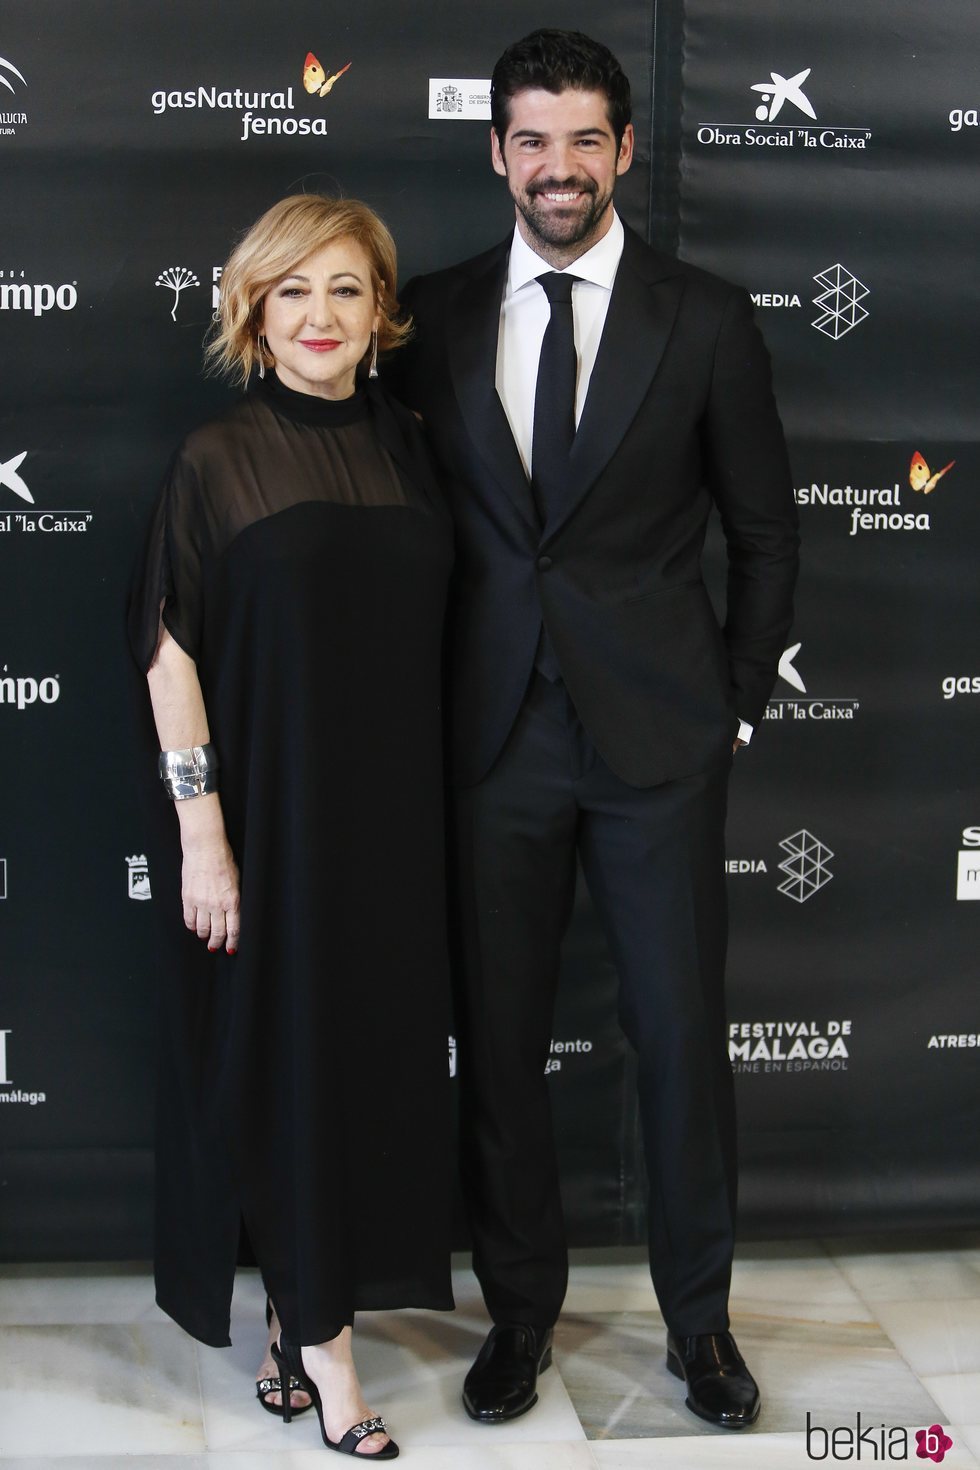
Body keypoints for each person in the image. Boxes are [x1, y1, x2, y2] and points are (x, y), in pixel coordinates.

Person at [390, 30, 799, 1431]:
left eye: (582, 141)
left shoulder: (707, 318)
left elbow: (766, 535)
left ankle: (702, 1329)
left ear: (625, 149)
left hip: (658, 744)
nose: (557, 169)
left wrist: (733, 708)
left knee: (680, 1038)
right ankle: (517, 1315)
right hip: (489, 738)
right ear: (496, 152)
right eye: (531, 141)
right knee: (497, 1042)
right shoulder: (430, 317)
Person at [128, 194, 455, 1459]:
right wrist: (205, 838)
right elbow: (167, 657)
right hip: (271, 825)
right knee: (292, 1082)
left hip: (400, 829)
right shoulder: (220, 456)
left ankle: (294, 1318)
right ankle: (330, 1356)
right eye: (292, 291)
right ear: (253, 311)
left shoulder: (414, 446)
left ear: (381, 314)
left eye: (346, 290)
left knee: (367, 1082)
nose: (320, 316)